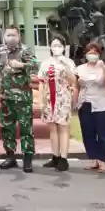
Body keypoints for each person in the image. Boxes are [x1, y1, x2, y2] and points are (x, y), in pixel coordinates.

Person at [0, 25, 38, 173]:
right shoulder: (2, 51)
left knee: (26, 129)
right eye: (8, 35)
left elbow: (35, 65)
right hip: (6, 97)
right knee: (7, 128)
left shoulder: (25, 51)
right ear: (4, 36)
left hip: (22, 97)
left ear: (18, 36)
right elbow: (1, 72)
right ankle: (10, 157)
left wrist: (21, 65)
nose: (11, 38)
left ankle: (27, 159)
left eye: (13, 35)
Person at [37, 35, 76, 172]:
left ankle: (64, 158)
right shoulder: (45, 63)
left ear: (64, 47)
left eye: (59, 45)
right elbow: (41, 83)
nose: (57, 48)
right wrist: (40, 101)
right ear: (50, 47)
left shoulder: (69, 62)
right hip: (49, 98)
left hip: (63, 98)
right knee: (52, 128)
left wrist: (65, 66)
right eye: (54, 45)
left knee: (63, 127)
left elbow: (73, 80)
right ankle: (55, 156)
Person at [73, 42, 105, 173]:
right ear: (85, 54)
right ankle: (94, 159)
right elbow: (76, 86)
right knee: (88, 133)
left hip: (102, 104)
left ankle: (103, 160)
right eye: (90, 53)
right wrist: (75, 102)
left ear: (99, 54)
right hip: (85, 103)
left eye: (95, 53)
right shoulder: (80, 69)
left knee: (103, 133)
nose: (92, 55)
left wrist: (103, 68)